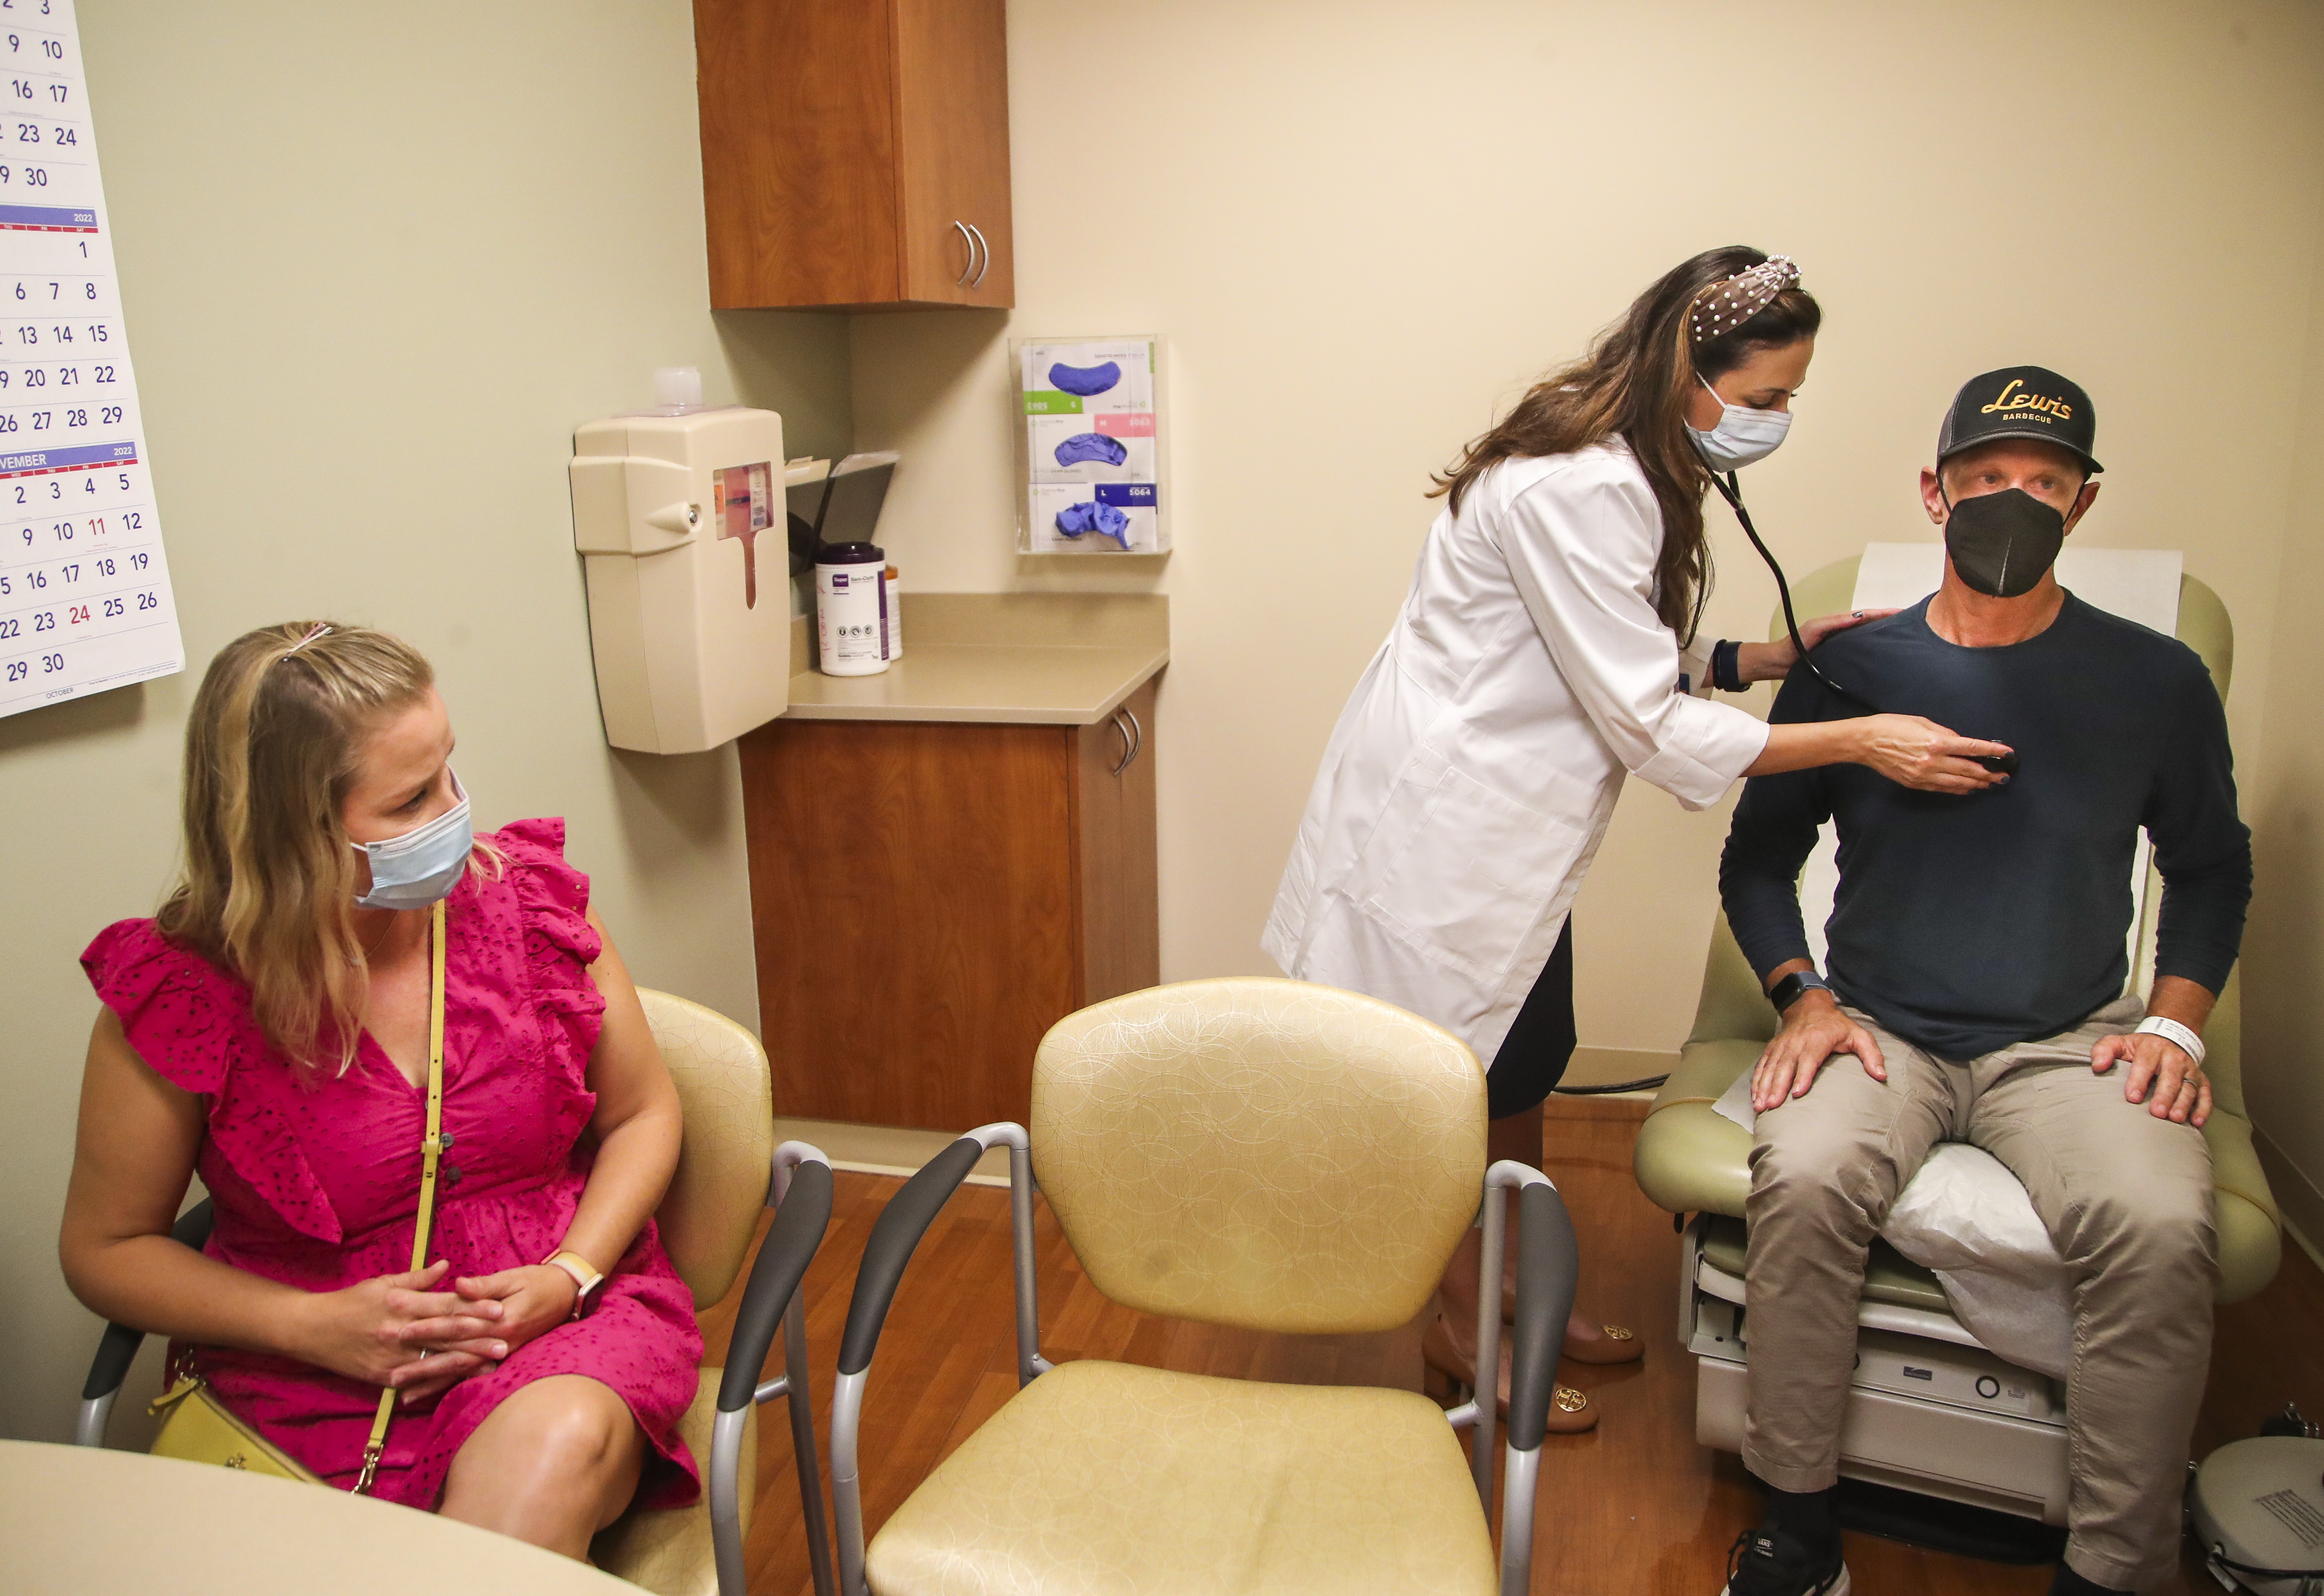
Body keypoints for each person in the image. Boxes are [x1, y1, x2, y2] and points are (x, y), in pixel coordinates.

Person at [1263, 246, 2015, 1428]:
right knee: (1458, 1081)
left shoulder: (1615, 462)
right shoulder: (1581, 482)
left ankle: (1516, 1282)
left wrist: (1758, 657)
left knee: (1532, 1048)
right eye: (1763, 398)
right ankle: (1460, 1325)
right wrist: (1863, 737)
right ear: (1690, 370)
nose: (1773, 421)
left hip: (1502, 830)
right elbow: (1645, 720)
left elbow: (1593, 643)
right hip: (1451, 830)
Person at [1714, 368, 2252, 1596]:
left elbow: (2213, 868)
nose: (2012, 502)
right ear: (1933, 491)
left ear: (2082, 505)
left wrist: (2175, 1024)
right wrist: (1803, 992)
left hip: (2067, 1040)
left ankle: (2111, 1568)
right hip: (1879, 1030)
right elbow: (1757, 859)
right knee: (1797, 1178)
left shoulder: (2153, 682)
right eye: (1984, 480)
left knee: (2165, 1229)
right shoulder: (1852, 667)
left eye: (2043, 486)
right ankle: (1796, 1522)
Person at [58, 621, 702, 1558]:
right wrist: (310, 1324)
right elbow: (104, 1246)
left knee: (548, 1448)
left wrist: (569, 1275)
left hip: (547, 1326)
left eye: (449, 770)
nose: (455, 815)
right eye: (408, 801)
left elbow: (645, 1112)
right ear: (285, 835)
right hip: (301, 1358)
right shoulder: (181, 994)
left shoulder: (530, 906)